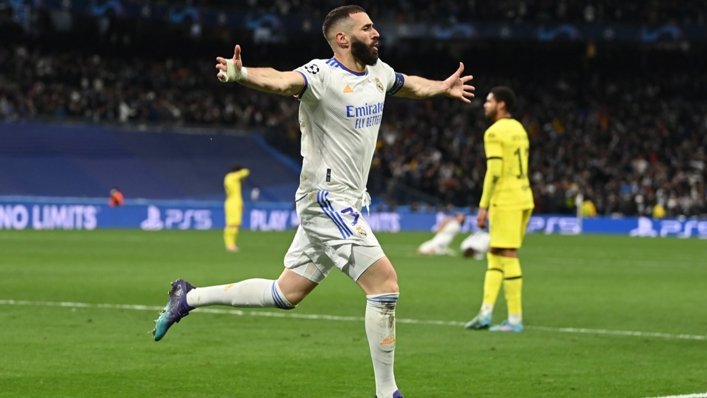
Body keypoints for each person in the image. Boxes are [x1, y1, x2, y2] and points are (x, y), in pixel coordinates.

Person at [150, 5, 474, 398]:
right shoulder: (322, 76)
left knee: (285, 293)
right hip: (326, 200)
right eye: (367, 28)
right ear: (343, 38)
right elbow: (283, 81)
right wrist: (243, 74)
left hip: (350, 201)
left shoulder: (378, 72)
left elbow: (408, 84)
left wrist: (442, 86)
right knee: (384, 284)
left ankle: (189, 296)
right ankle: (387, 393)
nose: (376, 33)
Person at [464, 86, 534, 333]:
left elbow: (494, 171)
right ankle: (485, 313)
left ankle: (515, 319)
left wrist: (483, 207)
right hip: (524, 196)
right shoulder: (519, 129)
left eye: (489, 101)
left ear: (501, 104)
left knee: (507, 253)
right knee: (495, 252)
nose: (485, 104)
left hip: (506, 200)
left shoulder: (494, 132)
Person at [224, 164, 250, 252]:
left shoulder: (234, 180)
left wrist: (241, 205)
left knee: (236, 225)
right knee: (232, 224)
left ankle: (232, 244)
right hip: (232, 204)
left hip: (235, 203)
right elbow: (246, 172)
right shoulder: (231, 177)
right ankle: (229, 244)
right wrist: (241, 172)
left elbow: (237, 195)